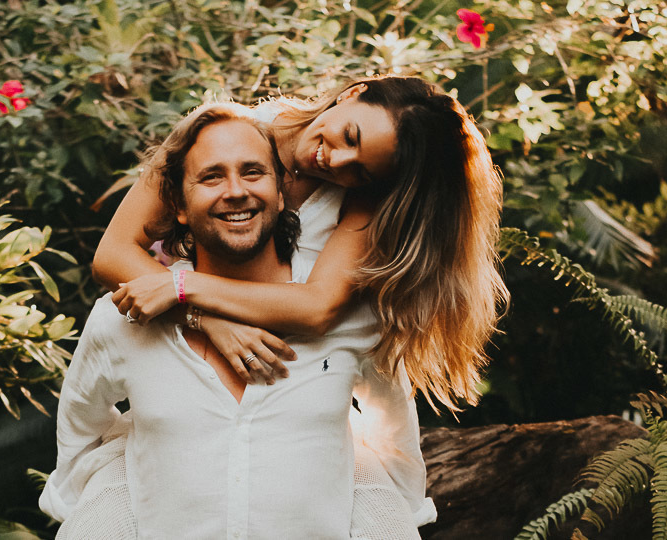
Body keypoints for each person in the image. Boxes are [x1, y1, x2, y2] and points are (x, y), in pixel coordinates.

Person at [41, 107, 426, 537]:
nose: (236, 191)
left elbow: (397, 447)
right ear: (178, 206)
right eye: (211, 177)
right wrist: (127, 479)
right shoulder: (124, 320)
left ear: (281, 194)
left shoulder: (352, 318)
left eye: (253, 172)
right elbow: (79, 436)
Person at [96, 75, 508, 411]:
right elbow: (113, 253)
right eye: (349, 136)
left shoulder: (361, 200)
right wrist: (207, 320)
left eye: (361, 170)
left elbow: (317, 308)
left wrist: (184, 287)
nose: (337, 161)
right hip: (189, 357)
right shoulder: (225, 131)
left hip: (299, 374)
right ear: (352, 93)